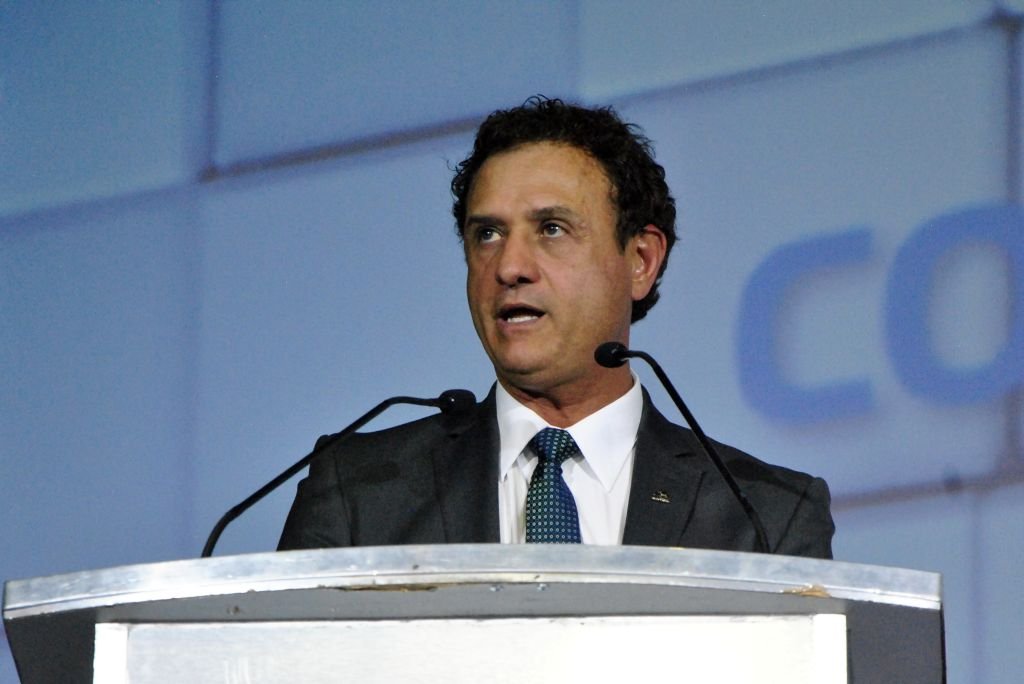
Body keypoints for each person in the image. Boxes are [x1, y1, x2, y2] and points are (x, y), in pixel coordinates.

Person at [278, 97, 834, 557]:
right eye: (487, 234)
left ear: (641, 260)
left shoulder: (763, 516)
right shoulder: (359, 491)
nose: (510, 267)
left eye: (551, 228)